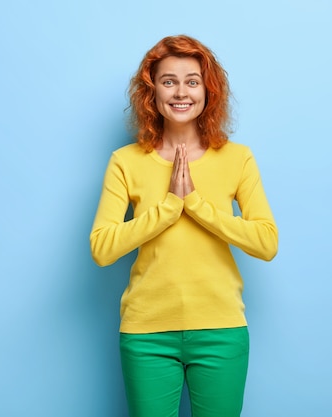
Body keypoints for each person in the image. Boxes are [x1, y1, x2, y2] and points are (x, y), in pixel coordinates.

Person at [89, 35, 278, 417]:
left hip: (221, 330)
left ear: (207, 90)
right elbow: (102, 249)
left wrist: (196, 204)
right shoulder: (125, 161)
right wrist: (169, 207)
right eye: (168, 81)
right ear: (152, 90)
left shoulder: (237, 159)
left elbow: (266, 243)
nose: (181, 92)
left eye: (192, 81)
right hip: (146, 334)